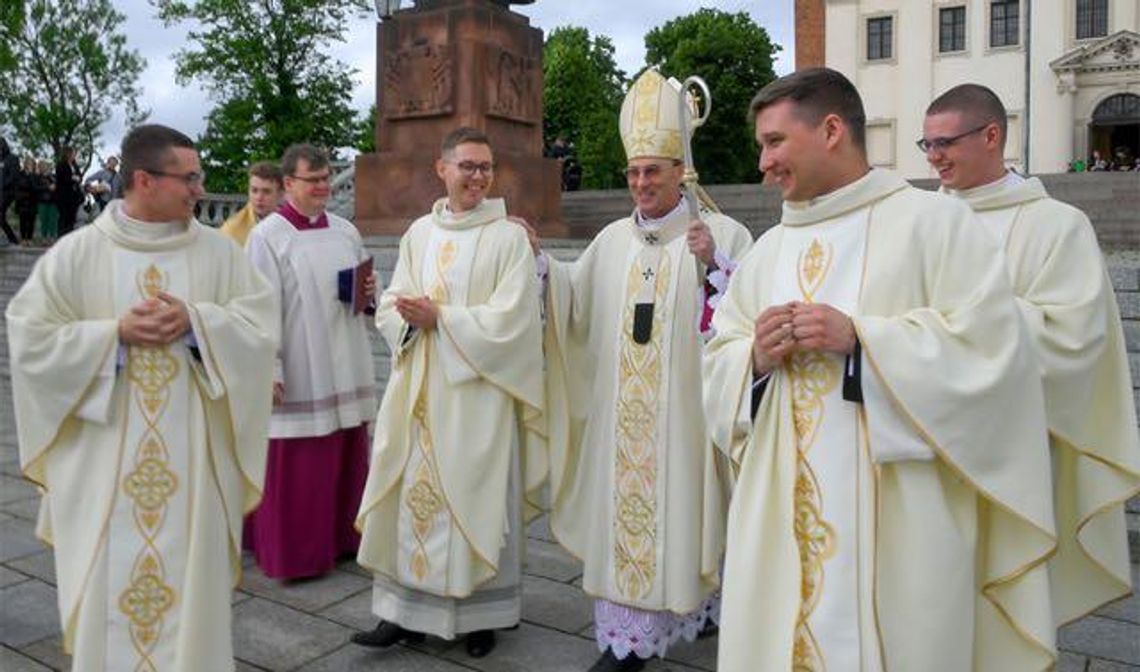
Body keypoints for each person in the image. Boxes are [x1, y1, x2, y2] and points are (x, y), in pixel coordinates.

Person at [702, 68, 1057, 671]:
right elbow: (719, 361)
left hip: (901, 526)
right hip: (783, 522)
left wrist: (863, 341)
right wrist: (753, 358)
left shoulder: (934, 225)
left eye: (774, 141)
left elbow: (995, 354)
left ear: (833, 130)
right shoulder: (768, 252)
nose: (763, 163)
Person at [5, 123, 279, 671]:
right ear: (143, 181)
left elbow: (260, 326)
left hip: (193, 462)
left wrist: (199, 323)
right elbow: (29, 338)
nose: (199, 188)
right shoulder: (78, 253)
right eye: (189, 177)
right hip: (105, 460)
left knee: (189, 591)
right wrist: (112, 335)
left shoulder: (219, 254)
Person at [532, 69, 753, 672]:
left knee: (690, 521)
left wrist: (715, 267)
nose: (640, 182)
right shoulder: (610, 240)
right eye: (633, 172)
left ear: (681, 171)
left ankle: (695, 609)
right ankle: (625, 640)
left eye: (652, 170)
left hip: (686, 423)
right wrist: (543, 267)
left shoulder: (723, 234)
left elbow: (743, 320)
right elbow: (574, 305)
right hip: (621, 425)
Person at [924, 83, 1140, 628]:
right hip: (927, 436)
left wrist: (964, 323)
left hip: (1013, 442)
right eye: (924, 145)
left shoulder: (1057, 226)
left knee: (1004, 603)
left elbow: (1072, 339)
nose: (933, 157)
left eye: (944, 142)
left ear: (992, 136)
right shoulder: (919, 222)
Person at [353, 126, 544, 659]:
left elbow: (515, 320)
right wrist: (406, 319)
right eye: (468, 166)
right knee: (412, 501)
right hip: (419, 389)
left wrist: (444, 319)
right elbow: (393, 299)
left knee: (474, 501)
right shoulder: (420, 232)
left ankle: (482, 616)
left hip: (478, 394)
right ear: (442, 169)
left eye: (486, 168)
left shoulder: (508, 238)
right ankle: (402, 613)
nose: (478, 177)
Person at [243, 143, 376, 580]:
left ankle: (344, 538)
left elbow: (362, 290)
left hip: (345, 355)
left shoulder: (344, 230)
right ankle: (296, 554)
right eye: (312, 180)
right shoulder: (267, 238)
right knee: (300, 466)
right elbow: (259, 310)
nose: (322, 188)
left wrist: (368, 292)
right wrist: (269, 368)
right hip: (300, 363)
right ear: (288, 184)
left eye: (325, 179)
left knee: (344, 453)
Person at [220, 161, 284, 247]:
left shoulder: (290, 224)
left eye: (266, 192)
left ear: (280, 194)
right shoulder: (232, 229)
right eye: (254, 190)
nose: (259, 197)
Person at [54, 146, 84, 236]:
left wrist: (78, 178)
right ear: (67, 154)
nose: (74, 155)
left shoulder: (75, 165)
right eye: (73, 153)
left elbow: (80, 176)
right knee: (64, 216)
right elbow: (61, 178)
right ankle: (61, 236)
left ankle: (69, 236)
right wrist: (73, 178)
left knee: (72, 217)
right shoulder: (61, 165)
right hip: (63, 195)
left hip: (74, 195)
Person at [0, 137, 21, 244]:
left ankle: (13, 239)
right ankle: (13, 239)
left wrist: (2, 185)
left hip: (8, 192)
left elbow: (14, 176)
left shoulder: (12, 158)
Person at [14, 156, 39, 245]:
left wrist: (31, 176)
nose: (29, 165)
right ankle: (23, 239)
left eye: (31, 164)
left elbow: (36, 188)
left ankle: (29, 239)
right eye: (28, 163)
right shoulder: (20, 174)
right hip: (22, 201)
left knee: (31, 221)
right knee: (23, 221)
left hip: (32, 201)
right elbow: (19, 185)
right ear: (25, 164)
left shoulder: (35, 176)